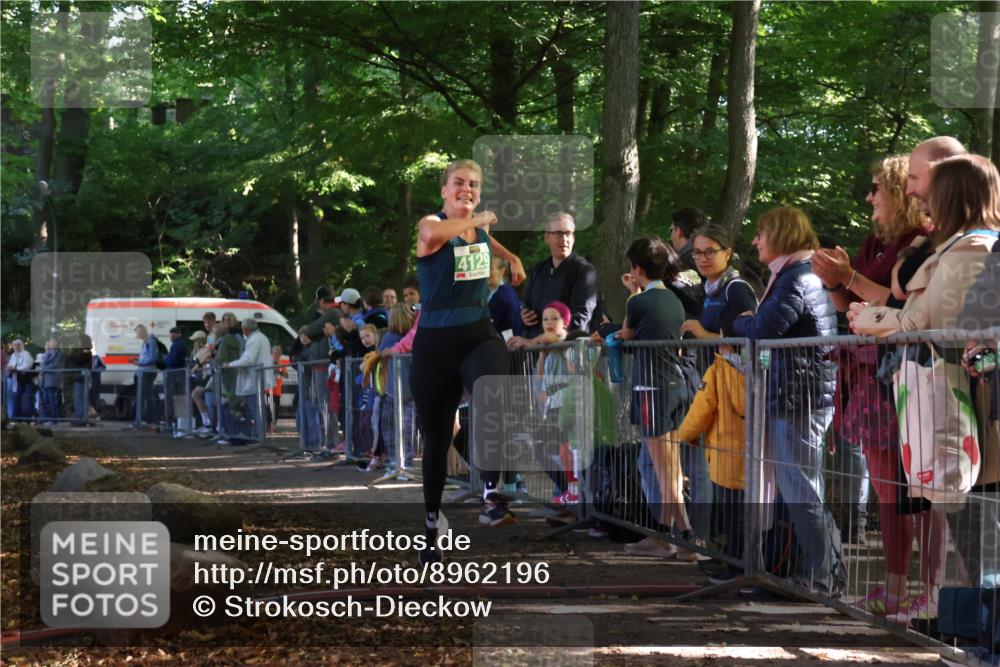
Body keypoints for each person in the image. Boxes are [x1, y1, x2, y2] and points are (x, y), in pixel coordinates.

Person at [850, 154, 1000, 599]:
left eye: (928, 190)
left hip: (975, 404)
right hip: (969, 398)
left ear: (951, 195)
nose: (921, 199)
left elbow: (940, 327)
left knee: (977, 528)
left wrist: (871, 318)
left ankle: (981, 638)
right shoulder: (956, 248)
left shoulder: (973, 249)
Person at [815, 155, 944, 619]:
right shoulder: (875, 241)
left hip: (906, 376)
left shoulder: (924, 242)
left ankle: (930, 595)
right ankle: (894, 590)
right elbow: (853, 303)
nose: (870, 198)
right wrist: (836, 282)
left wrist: (849, 278)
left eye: (877, 188)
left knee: (923, 492)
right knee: (889, 490)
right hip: (868, 381)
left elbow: (895, 303)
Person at [410, 158, 526, 565]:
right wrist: (479, 218)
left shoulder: (478, 226)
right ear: (444, 190)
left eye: (474, 184)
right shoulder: (433, 226)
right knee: (437, 439)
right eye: (459, 183)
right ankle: (430, 530)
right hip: (435, 343)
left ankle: (492, 495)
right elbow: (434, 231)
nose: (467, 189)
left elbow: (485, 241)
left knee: (492, 390)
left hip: (478, 331)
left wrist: (510, 256)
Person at [731, 206, 842, 595]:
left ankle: (822, 578)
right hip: (794, 393)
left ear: (780, 235)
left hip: (800, 398)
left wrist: (739, 320)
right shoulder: (792, 274)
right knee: (798, 486)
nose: (755, 240)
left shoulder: (798, 277)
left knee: (801, 487)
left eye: (761, 233)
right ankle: (811, 572)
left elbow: (762, 328)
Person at [616, 237, 697, 560]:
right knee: (670, 466)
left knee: (665, 469)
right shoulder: (674, 300)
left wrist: (631, 294)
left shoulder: (638, 302)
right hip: (676, 385)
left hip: (652, 388)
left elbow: (626, 333)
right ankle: (665, 534)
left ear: (636, 269)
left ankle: (686, 536)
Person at [508, 212, 597, 348]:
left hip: (570, 354)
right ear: (547, 237)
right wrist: (525, 317)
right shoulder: (538, 271)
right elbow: (528, 307)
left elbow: (580, 320)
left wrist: (535, 341)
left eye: (568, 233)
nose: (564, 239)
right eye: (558, 234)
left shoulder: (583, 270)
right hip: (538, 356)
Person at [533, 301, 580, 504]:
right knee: (546, 448)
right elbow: (540, 378)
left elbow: (551, 337)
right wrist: (542, 353)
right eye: (545, 319)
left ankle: (572, 493)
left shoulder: (564, 341)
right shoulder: (549, 348)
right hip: (553, 404)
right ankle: (566, 490)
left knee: (565, 449)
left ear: (565, 322)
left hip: (566, 404)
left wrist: (536, 342)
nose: (549, 323)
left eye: (555, 318)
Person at [679, 225, 758, 341]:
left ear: (727, 254)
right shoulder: (710, 290)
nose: (703, 259)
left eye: (710, 252)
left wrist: (704, 334)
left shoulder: (736, 289)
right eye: (697, 252)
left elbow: (749, 343)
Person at [224, 318, 275, 444]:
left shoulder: (254, 339)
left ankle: (257, 435)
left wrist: (230, 364)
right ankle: (257, 433)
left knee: (255, 408)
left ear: (246, 329)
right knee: (257, 407)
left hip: (255, 378)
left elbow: (248, 359)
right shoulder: (261, 337)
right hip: (258, 377)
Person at [488, 256, 524, 339]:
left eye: (490, 269)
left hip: (505, 347)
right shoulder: (507, 291)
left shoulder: (501, 296)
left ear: (502, 271)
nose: (486, 272)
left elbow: (489, 328)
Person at [163, 327, 188, 436]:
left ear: (179, 334)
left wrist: (165, 359)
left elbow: (172, 360)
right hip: (179, 376)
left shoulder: (176, 345)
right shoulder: (182, 343)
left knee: (171, 400)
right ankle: (179, 425)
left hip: (173, 375)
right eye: (170, 334)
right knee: (179, 400)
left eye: (173, 334)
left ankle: (171, 426)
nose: (171, 337)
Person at [132, 325, 159, 426]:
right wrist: (139, 361)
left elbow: (153, 358)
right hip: (144, 371)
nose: (137, 335)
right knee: (145, 396)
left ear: (143, 332)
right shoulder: (146, 342)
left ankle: (151, 418)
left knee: (147, 396)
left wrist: (140, 363)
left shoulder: (150, 341)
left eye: (138, 333)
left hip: (147, 372)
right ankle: (149, 418)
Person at [669, 207, 708, 275]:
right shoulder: (710, 258)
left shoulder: (680, 264)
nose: (671, 236)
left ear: (678, 232)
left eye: (671, 230)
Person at [189, 331, 213, 433]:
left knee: (196, 395)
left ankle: (208, 423)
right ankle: (206, 422)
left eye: (195, 340)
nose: (194, 343)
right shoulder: (197, 351)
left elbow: (206, 360)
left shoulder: (205, 349)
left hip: (207, 376)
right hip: (201, 377)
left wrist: (195, 367)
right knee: (197, 396)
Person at [7, 340, 34, 421]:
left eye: (18, 344)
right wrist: (10, 368)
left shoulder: (26, 354)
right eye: (15, 345)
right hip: (17, 380)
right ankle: (16, 418)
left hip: (26, 380)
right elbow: (11, 364)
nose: (17, 346)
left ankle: (28, 418)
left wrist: (16, 369)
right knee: (17, 398)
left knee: (26, 399)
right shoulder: (13, 355)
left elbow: (27, 365)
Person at [39, 338, 63, 424]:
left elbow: (54, 365)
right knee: (46, 399)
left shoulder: (59, 353)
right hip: (46, 379)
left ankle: (54, 418)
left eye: (53, 342)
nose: (51, 344)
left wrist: (44, 368)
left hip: (53, 379)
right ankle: (47, 418)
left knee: (52, 399)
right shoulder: (47, 353)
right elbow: (43, 362)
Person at [267, 345, 288, 435]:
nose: (277, 355)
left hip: (277, 389)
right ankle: (268, 426)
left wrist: (280, 371)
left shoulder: (282, 363)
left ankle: (274, 426)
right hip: (268, 389)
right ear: (272, 353)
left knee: (276, 409)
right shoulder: (268, 362)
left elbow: (286, 375)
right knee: (268, 408)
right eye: (275, 353)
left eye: (278, 353)